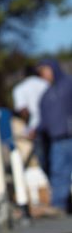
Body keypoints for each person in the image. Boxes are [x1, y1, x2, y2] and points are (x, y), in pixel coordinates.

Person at [36, 58, 72, 212]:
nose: (43, 75)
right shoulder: (46, 95)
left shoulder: (69, 85)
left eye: (45, 70)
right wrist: (37, 130)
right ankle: (59, 206)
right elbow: (44, 120)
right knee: (58, 172)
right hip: (57, 140)